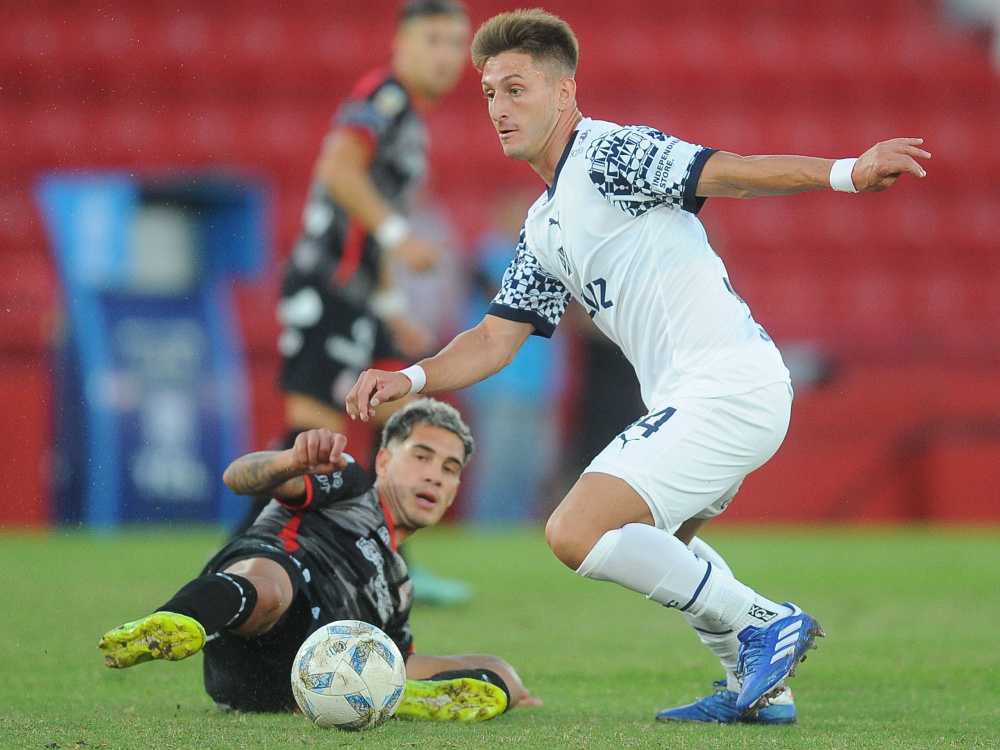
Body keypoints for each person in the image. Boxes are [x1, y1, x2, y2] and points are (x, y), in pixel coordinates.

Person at [344, 8, 931, 724]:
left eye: (517, 89)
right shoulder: (542, 223)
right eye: (490, 92)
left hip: (728, 387)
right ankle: (761, 690)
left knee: (573, 531)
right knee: (661, 548)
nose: (499, 108)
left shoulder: (608, 155)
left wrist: (847, 171)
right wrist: (409, 380)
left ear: (564, 94)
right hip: (701, 397)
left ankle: (764, 621)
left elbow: (728, 174)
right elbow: (495, 340)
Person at [99, 399, 539, 719]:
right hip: (252, 632)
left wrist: (506, 684)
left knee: (498, 670)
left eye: (449, 468)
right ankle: (177, 620)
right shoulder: (350, 484)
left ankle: (400, 696)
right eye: (421, 456)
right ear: (383, 461)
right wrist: (290, 461)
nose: (434, 475)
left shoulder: (399, 586)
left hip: (295, 686)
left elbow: (400, 655)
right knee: (274, 584)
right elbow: (238, 477)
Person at [263, 0, 474, 602]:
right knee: (310, 437)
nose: (445, 55)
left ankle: (386, 547)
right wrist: (399, 236)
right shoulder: (383, 98)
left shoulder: (410, 118)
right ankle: (249, 556)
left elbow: (370, 222)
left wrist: (389, 309)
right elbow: (338, 168)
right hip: (324, 288)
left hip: (355, 297)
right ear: (402, 43)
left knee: (401, 415)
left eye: (455, 43)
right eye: (433, 39)